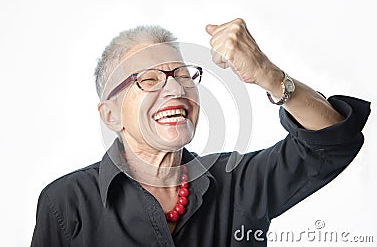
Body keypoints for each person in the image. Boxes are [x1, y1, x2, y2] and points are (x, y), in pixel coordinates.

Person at [31, 18, 370, 246]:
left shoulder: (237, 182)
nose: (175, 89)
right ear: (110, 115)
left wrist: (268, 75)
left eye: (182, 74)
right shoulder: (66, 203)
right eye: (148, 79)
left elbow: (332, 142)